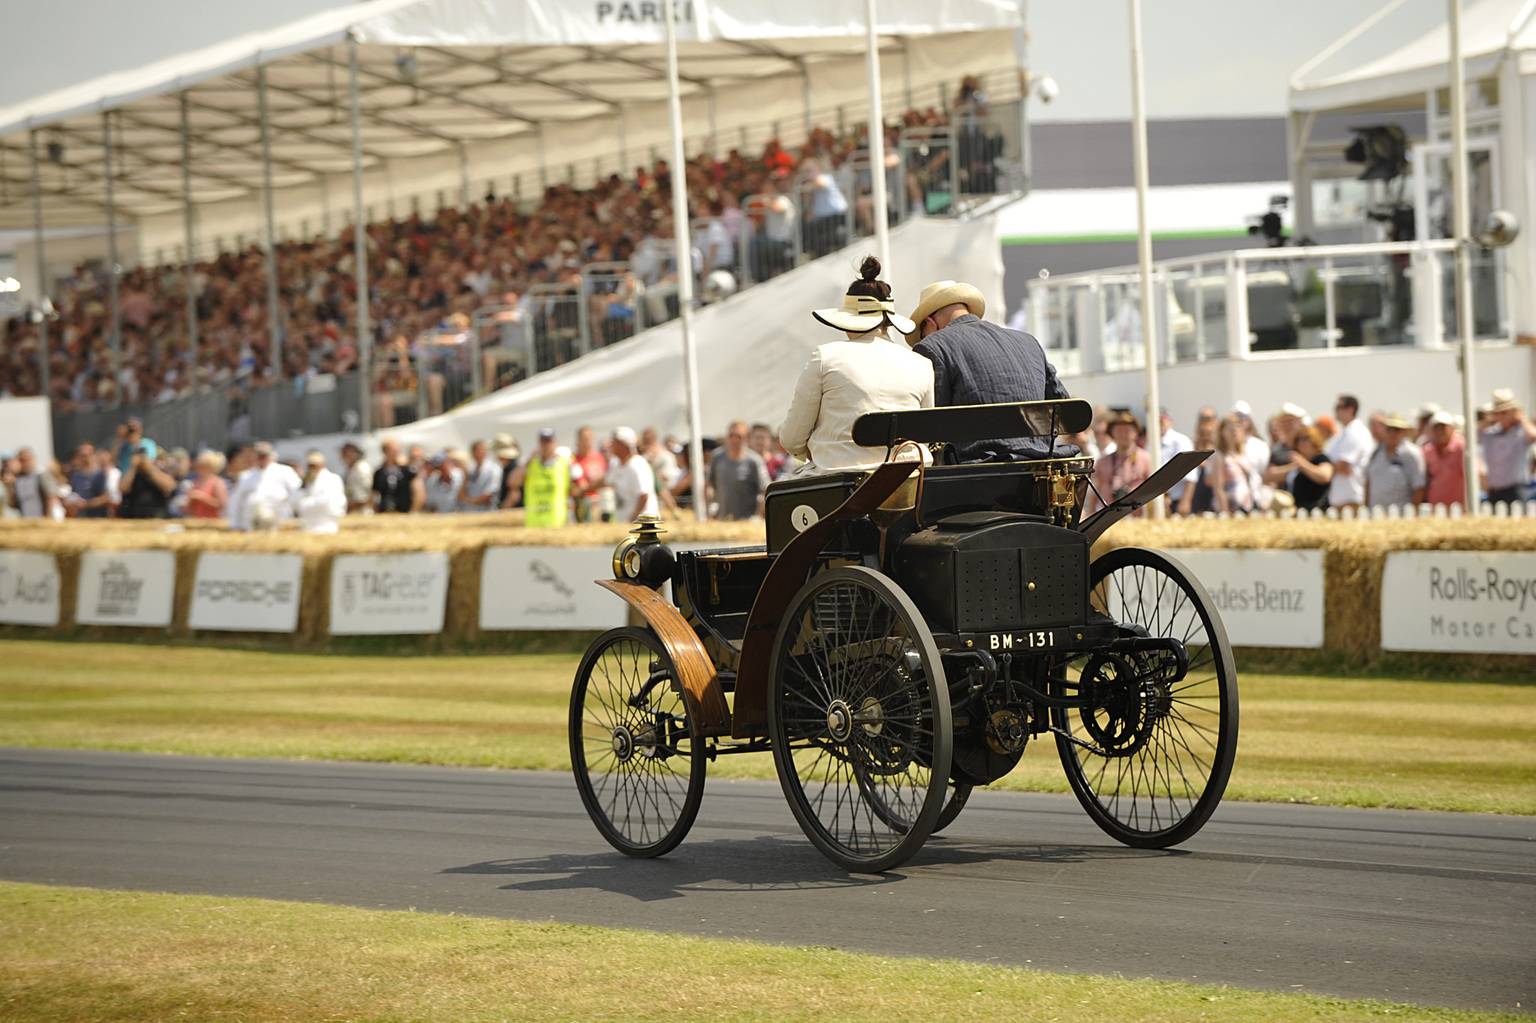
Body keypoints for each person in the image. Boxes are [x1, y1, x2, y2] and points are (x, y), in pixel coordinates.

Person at [779, 256, 933, 475]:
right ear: (889, 321)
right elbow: (924, 439)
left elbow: (792, 438)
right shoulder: (922, 364)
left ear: (848, 320)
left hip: (839, 481)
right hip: (906, 481)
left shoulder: (826, 357)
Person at [906, 279, 1074, 463]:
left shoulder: (933, 346)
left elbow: (933, 424)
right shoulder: (1028, 342)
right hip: (1040, 468)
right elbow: (1064, 407)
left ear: (931, 323)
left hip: (977, 474)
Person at [1479, 388, 1536, 506]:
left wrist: (1522, 419)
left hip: (1515, 490)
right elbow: (1467, 435)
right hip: (1494, 490)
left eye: (1504, 412)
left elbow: (1533, 435)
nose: (1500, 416)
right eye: (1497, 413)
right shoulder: (1490, 433)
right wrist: (1488, 421)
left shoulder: (1521, 432)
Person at [1087, 410, 1152, 515]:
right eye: (1119, 431)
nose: (1123, 435)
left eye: (1127, 431)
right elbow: (1093, 494)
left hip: (1137, 520)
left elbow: (1154, 491)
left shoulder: (1146, 459)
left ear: (1135, 433)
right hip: (1108, 519)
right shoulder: (1102, 462)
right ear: (1112, 433)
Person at [707, 420, 771, 520]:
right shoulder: (717, 457)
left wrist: (756, 516)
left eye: (739, 437)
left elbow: (766, 491)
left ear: (746, 439)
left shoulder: (754, 461)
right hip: (722, 519)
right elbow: (708, 485)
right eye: (731, 436)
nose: (734, 440)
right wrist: (709, 510)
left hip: (745, 521)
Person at [230, 441, 302, 530]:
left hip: (278, 519)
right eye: (259, 456)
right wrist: (235, 524)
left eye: (265, 456)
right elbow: (236, 501)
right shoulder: (246, 476)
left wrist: (290, 508)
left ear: (272, 456)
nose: (262, 459)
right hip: (251, 522)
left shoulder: (285, 472)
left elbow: (297, 492)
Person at [1364, 412, 1426, 510]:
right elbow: (1368, 482)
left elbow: (1419, 487)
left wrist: (1413, 513)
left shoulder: (1412, 455)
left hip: (1401, 516)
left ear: (1404, 432)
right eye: (1389, 429)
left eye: (1397, 430)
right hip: (1375, 514)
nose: (1392, 433)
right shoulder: (1376, 452)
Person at [1324, 394, 1372, 511]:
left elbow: (1342, 465)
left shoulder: (1355, 432)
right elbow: (1339, 466)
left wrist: (1328, 468)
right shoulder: (1344, 434)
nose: (1336, 410)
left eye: (1339, 406)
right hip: (1341, 497)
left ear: (1351, 409)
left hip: (1351, 498)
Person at [517, 428, 572, 527]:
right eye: (543, 442)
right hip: (534, 523)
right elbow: (512, 482)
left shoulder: (566, 463)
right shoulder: (532, 464)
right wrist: (528, 461)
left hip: (556, 522)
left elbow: (579, 486)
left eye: (548, 442)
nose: (545, 446)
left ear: (555, 443)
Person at [607, 426, 658, 521]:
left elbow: (644, 495)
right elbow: (605, 480)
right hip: (631, 527)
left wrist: (634, 518)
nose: (611, 445)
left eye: (614, 442)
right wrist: (583, 490)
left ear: (622, 445)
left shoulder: (637, 465)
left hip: (642, 527)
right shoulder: (621, 466)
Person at [1210, 413, 1257, 514]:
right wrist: (1224, 511)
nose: (1234, 432)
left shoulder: (1244, 452)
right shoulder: (1219, 456)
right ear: (1222, 432)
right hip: (1230, 506)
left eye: (1237, 428)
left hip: (1247, 505)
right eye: (1231, 429)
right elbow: (1218, 487)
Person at [293, 450, 348, 533]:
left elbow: (324, 502)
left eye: (315, 465)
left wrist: (303, 506)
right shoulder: (307, 481)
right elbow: (295, 499)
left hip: (325, 524)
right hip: (308, 524)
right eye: (310, 466)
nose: (312, 468)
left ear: (322, 465)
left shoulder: (332, 479)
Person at [117, 443, 176, 519]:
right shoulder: (130, 473)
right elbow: (122, 488)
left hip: (157, 516)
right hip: (133, 516)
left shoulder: (159, 471)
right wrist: (133, 467)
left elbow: (170, 486)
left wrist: (150, 469)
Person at [1422, 411, 1467, 509]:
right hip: (1436, 507)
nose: (1439, 431)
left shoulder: (1461, 447)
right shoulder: (1428, 450)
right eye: (1436, 428)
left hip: (1459, 507)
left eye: (1443, 427)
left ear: (1452, 429)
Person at [1286, 425, 1334, 512]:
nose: (1301, 442)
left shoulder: (1321, 458)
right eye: (1298, 439)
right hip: (1300, 509)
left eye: (1306, 438)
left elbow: (1325, 476)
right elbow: (1270, 475)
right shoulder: (1299, 463)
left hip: (1317, 510)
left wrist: (1303, 464)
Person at [373, 438, 424, 514]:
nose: (395, 453)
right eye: (393, 450)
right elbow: (374, 494)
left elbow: (419, 492)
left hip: (404, 512)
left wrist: (413, 511)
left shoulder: (408, 471)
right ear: (385, 451)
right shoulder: (379, 472)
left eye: (397, 450)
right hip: (384, 512)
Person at [9, 447, 62, 519]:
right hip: (28, 519)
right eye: (22, 460)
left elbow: (51, 496)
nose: (26, 463)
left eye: (28, 459)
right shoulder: (19, 479)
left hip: (45, 517)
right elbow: (13, 504)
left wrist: (48, 517)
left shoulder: (40, 473)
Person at [1158, 408, 1196, 506]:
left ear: (1170, 421)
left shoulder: (1181, 441)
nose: (1159, 424)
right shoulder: (1149, 443)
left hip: (1177, 500)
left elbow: (1190, 474)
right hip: (1158, 501)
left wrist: (1185, 500)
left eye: (1161, 421)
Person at [570, 426, 608, 522]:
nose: (587, 440)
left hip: (597, 504)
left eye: (589, 437)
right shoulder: (573, 460)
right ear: (578, 440)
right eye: (584, 438)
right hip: (581, 505)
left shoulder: (599, 457)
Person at [65, 443, 112, 519]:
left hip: (98, 517)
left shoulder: (100, 474)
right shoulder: (76, 475)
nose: (84, 459)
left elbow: (106, 498)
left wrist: (87, 504)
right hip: (82, 517)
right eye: (81, 456)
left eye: (86, 456)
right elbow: (74, 494)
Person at [457, 439, 503, 513]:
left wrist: (470, 501)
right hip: (470, 512)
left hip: (486, 512)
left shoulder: (494, 469)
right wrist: (465, 477)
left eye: (481, 450)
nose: (479, 453)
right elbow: (460, 496)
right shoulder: (471, 470)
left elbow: (490, 494)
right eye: (476, 451)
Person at [184, 451, 228, 520]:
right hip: (196, 521)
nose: (198, 465)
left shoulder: (217, 482)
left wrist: (202, 497)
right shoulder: (196, 481)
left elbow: (222, 504)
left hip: (212, 522)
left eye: (202, 463)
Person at [339, 441, 373, 515]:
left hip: (363, 510)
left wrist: (356, 503)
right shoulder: (350, 470)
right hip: (354, 509)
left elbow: (366, 493)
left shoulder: (362, 468)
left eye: (345, 453)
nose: (342, 456)